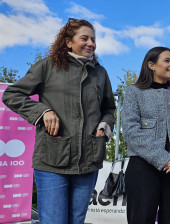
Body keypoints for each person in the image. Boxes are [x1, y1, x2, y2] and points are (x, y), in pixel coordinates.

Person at [2, 19, 115, 224]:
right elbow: (12, 95)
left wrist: (104, 126)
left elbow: (109, 108)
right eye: (84, 38)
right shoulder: (48, 66)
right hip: (53, 159)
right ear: (68, 42)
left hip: (89, 160)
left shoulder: (100, 73)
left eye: (93, 39)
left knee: (77, 220)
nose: (91, 43)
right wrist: (43, 111)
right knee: (54, 220)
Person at [122, 46, 170, 224]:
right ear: (151, 65)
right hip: (142, 169)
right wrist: (163, 159)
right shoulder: (134, 92)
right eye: (167, 61)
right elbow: (131, 130)